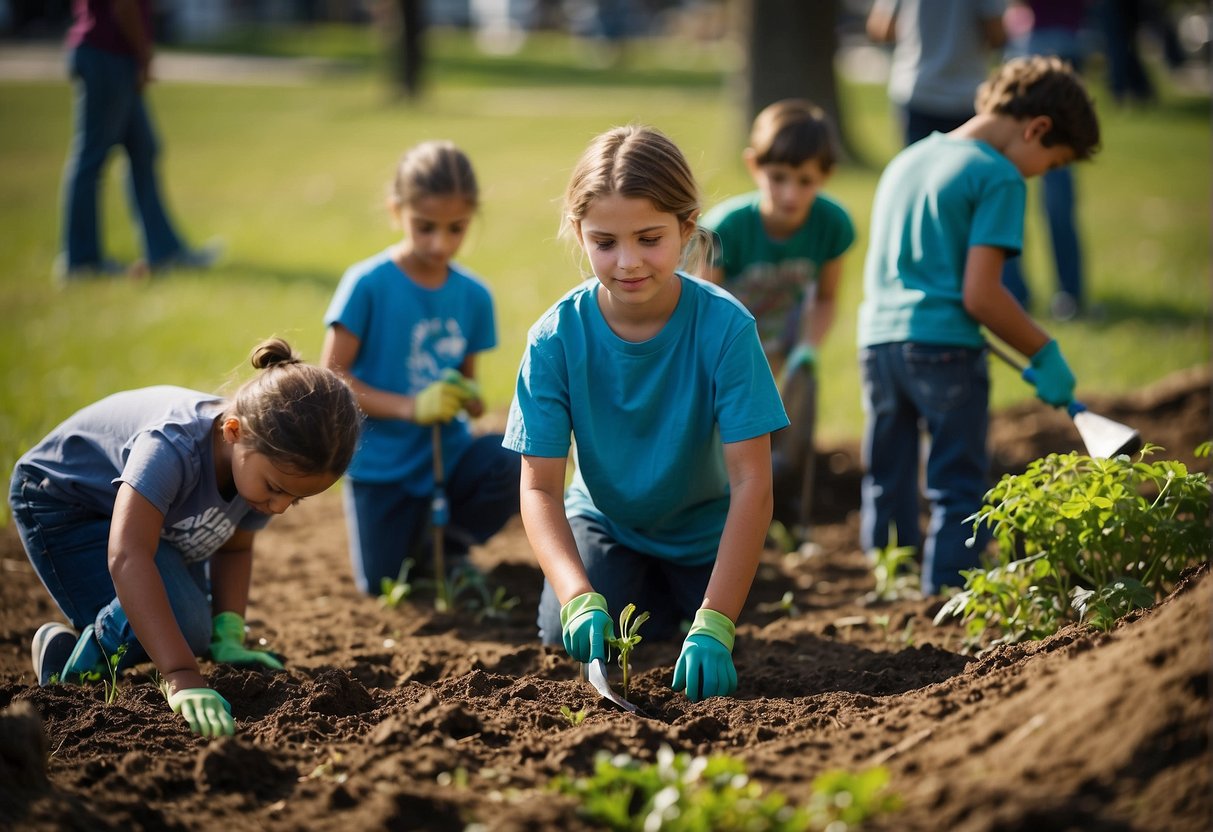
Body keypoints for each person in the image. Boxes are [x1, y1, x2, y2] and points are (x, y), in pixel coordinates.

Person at [503, 126, 789, 702]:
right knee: (562, 633)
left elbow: (752, 482)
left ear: (687, 227)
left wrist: (715, 621)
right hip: (607, 523)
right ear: (578, 233)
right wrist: (578, 595)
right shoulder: (556, 338)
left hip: (704, 532)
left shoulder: (726, 328)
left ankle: (679, 602)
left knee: (737, 632)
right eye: (604, 242)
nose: (628, 262)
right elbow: (539, 490)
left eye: (649, 238)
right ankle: (631, 593)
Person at [13, 338, 361, 737]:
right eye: (277, 489)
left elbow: (235, 546)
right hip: (62, 504)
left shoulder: (258, 471)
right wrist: (181, 674)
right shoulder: (172, 447)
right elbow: (128, 556)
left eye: (295, 499)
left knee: (193, 628)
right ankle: (72, 662)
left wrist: (228, 636)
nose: (280, 507)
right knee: (185, 627)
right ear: (234, 432)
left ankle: (116, 640)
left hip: (141, 525)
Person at [857, 55, 1100, 595]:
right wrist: (1044, 351)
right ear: (1036, 129)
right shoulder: (999, 176)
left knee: (888, 476)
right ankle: (949, 592)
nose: (1043, 174)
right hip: (944, 353)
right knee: (956, 482)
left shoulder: (909, 160)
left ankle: (890, 583)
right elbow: (981, 295)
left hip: (877, 344)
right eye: (1053, 162)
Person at [322, 140, 520, 597]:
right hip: (380, 466)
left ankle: (449, 548)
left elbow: (472, 397)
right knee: (384, 584)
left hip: (445, 458)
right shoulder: (367, 284)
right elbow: (330, 383)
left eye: (456, 229)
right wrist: (412, 407)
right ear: (396, 210)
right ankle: (416, 545)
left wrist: (465, 398)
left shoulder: (474, 296)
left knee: (509, 460)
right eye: (424, 226)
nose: (440, 243)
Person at [701, 99, 856, 538]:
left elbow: (825, 298)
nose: (790, 193)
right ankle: (716, 521)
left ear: (825, 176)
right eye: (778, 177)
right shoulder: (724, 229)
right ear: (754, 166)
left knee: (789, 433)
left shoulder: (831, 225)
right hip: (725, 355)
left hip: (786, 352)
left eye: (805, 180)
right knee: (723, 440)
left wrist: (807, 347)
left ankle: (785, 516)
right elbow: (701, 305)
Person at [57, 0, 221, 283]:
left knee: (143, 150)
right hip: (108, 53)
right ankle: (81, 261)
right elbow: (124, 5)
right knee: (91, 159)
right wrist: (144, 55)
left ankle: (165, 250)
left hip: (108, 53)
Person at [1001, 0, 1091, 320]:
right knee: (1013, 185)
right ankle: (1064, 292)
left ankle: (1019, 293)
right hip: (1067, 41)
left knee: (1024, 182)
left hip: (1035, 44)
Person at [867, 0, 1007, 147]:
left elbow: (882, 29)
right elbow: (996, 34)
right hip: (965, 92)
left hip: (916, 87)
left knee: (918, 167)